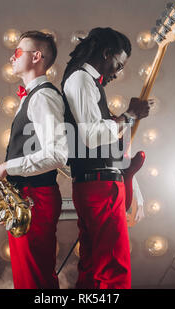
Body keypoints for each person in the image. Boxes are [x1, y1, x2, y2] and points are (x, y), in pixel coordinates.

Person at [61, 27, 152, 289]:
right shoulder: (80, 80)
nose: (117, 72)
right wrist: (129, 116)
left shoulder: (87, 83)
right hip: (99, 187)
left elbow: (106, 142)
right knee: (114, 269)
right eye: (118, 64)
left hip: (99, 183)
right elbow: (91, 136)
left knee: (92, 269)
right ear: (106, 53)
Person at [0, 30, 68, 289]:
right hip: (27, 198)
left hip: (36, 199)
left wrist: (8, 167)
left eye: (18, 51)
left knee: (34, 280)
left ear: (37, 57)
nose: (12, 56)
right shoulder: (32, 97)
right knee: (27, 278)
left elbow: (57, 154)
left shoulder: (43, 97)